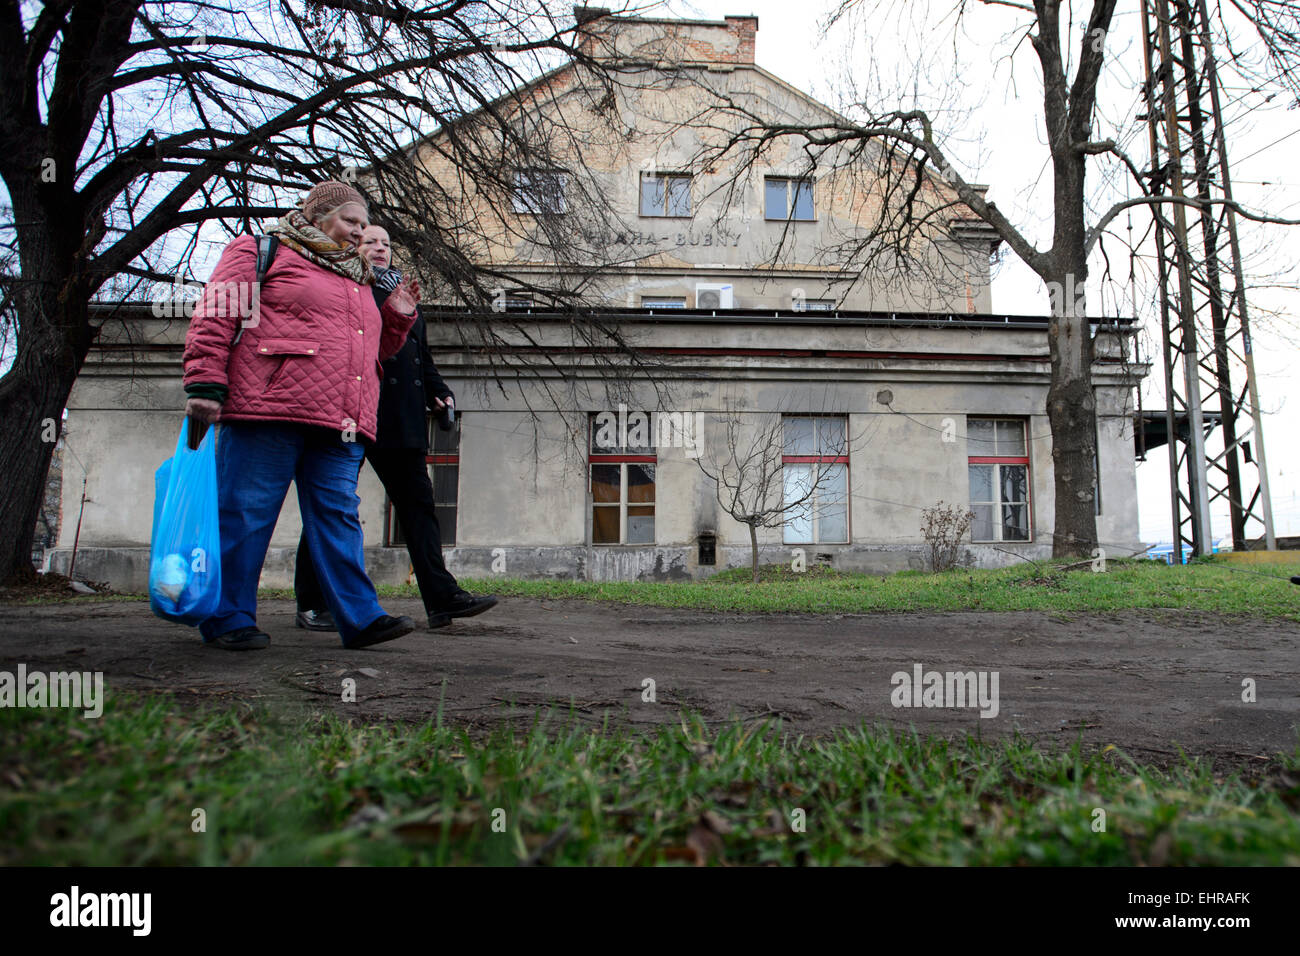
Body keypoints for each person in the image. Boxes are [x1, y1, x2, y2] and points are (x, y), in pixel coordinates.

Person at [183, 181, 421, 650]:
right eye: (350, 222)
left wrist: (397, 317)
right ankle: (228, 617)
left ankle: (360, 617)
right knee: (246, 513)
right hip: (268, 408)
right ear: (316, 217)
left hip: (339, 418)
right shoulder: (260, 250)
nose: (358, 232)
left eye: (362, 224)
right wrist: (205, 383)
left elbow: (374, 353)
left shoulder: (359, 278)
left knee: (338, 515)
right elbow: (216, 313)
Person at [294, 225, 498, 631]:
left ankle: (442, 599)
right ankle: (313, 603)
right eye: (370, 241)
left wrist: (440, 394)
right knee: (331, 505)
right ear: (353, 247)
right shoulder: (343, 289)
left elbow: (421, 358)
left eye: (386, 243)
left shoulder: (404, 297)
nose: (380, 248)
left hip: (401, 417)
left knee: (419, 507)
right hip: (352, 414)